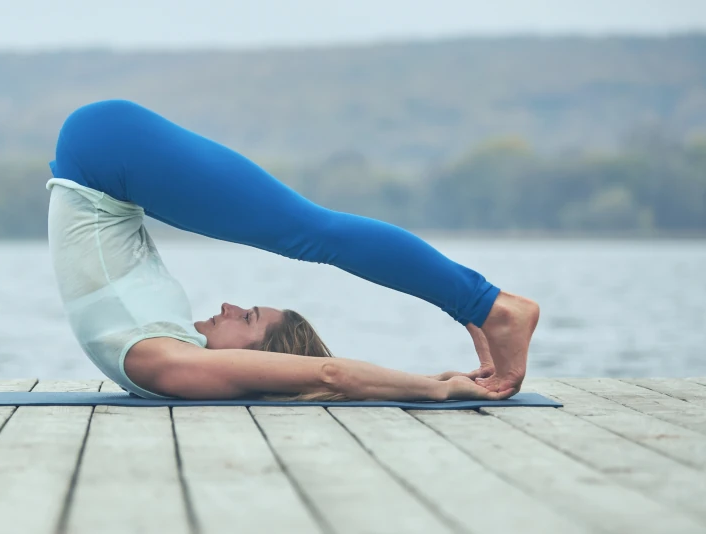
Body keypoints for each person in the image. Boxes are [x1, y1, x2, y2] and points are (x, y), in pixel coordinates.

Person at [47, 100, 539, 401]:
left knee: (312, 233)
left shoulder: (161, 364)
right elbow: (328, 374)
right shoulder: (164, 359)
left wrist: (432, 383)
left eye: (247, 318)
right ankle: (488, 308)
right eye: (249, 315)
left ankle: (482, 307)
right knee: (311, 234)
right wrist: (436, 385)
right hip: (104, 154)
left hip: (105, 156)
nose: (228, 307)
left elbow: (326, 375)